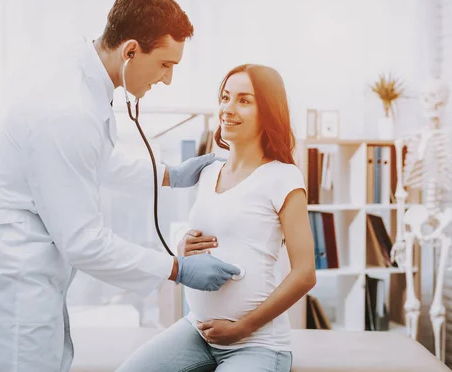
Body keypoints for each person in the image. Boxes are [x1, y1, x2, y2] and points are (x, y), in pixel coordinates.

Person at [0, 0, 240, 372]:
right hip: (7, 291)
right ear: (130, 51)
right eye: (164, 64)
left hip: (15, 277)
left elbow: (94, 160)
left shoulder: (75, 73)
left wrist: (169, 176)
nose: (168, 79)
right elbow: (85, 242)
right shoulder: (66, 108)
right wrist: (177, 269)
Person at [116, 64, 317, 372]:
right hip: (197, 331)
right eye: (225, 97)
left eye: (244, 100)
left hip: (257, 342)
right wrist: (184, 246)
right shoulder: (209, 171)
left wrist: (243, 328)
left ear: (268, 113)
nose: (228, 109)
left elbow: (304, 274)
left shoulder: (284, 177)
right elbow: (213, 234)